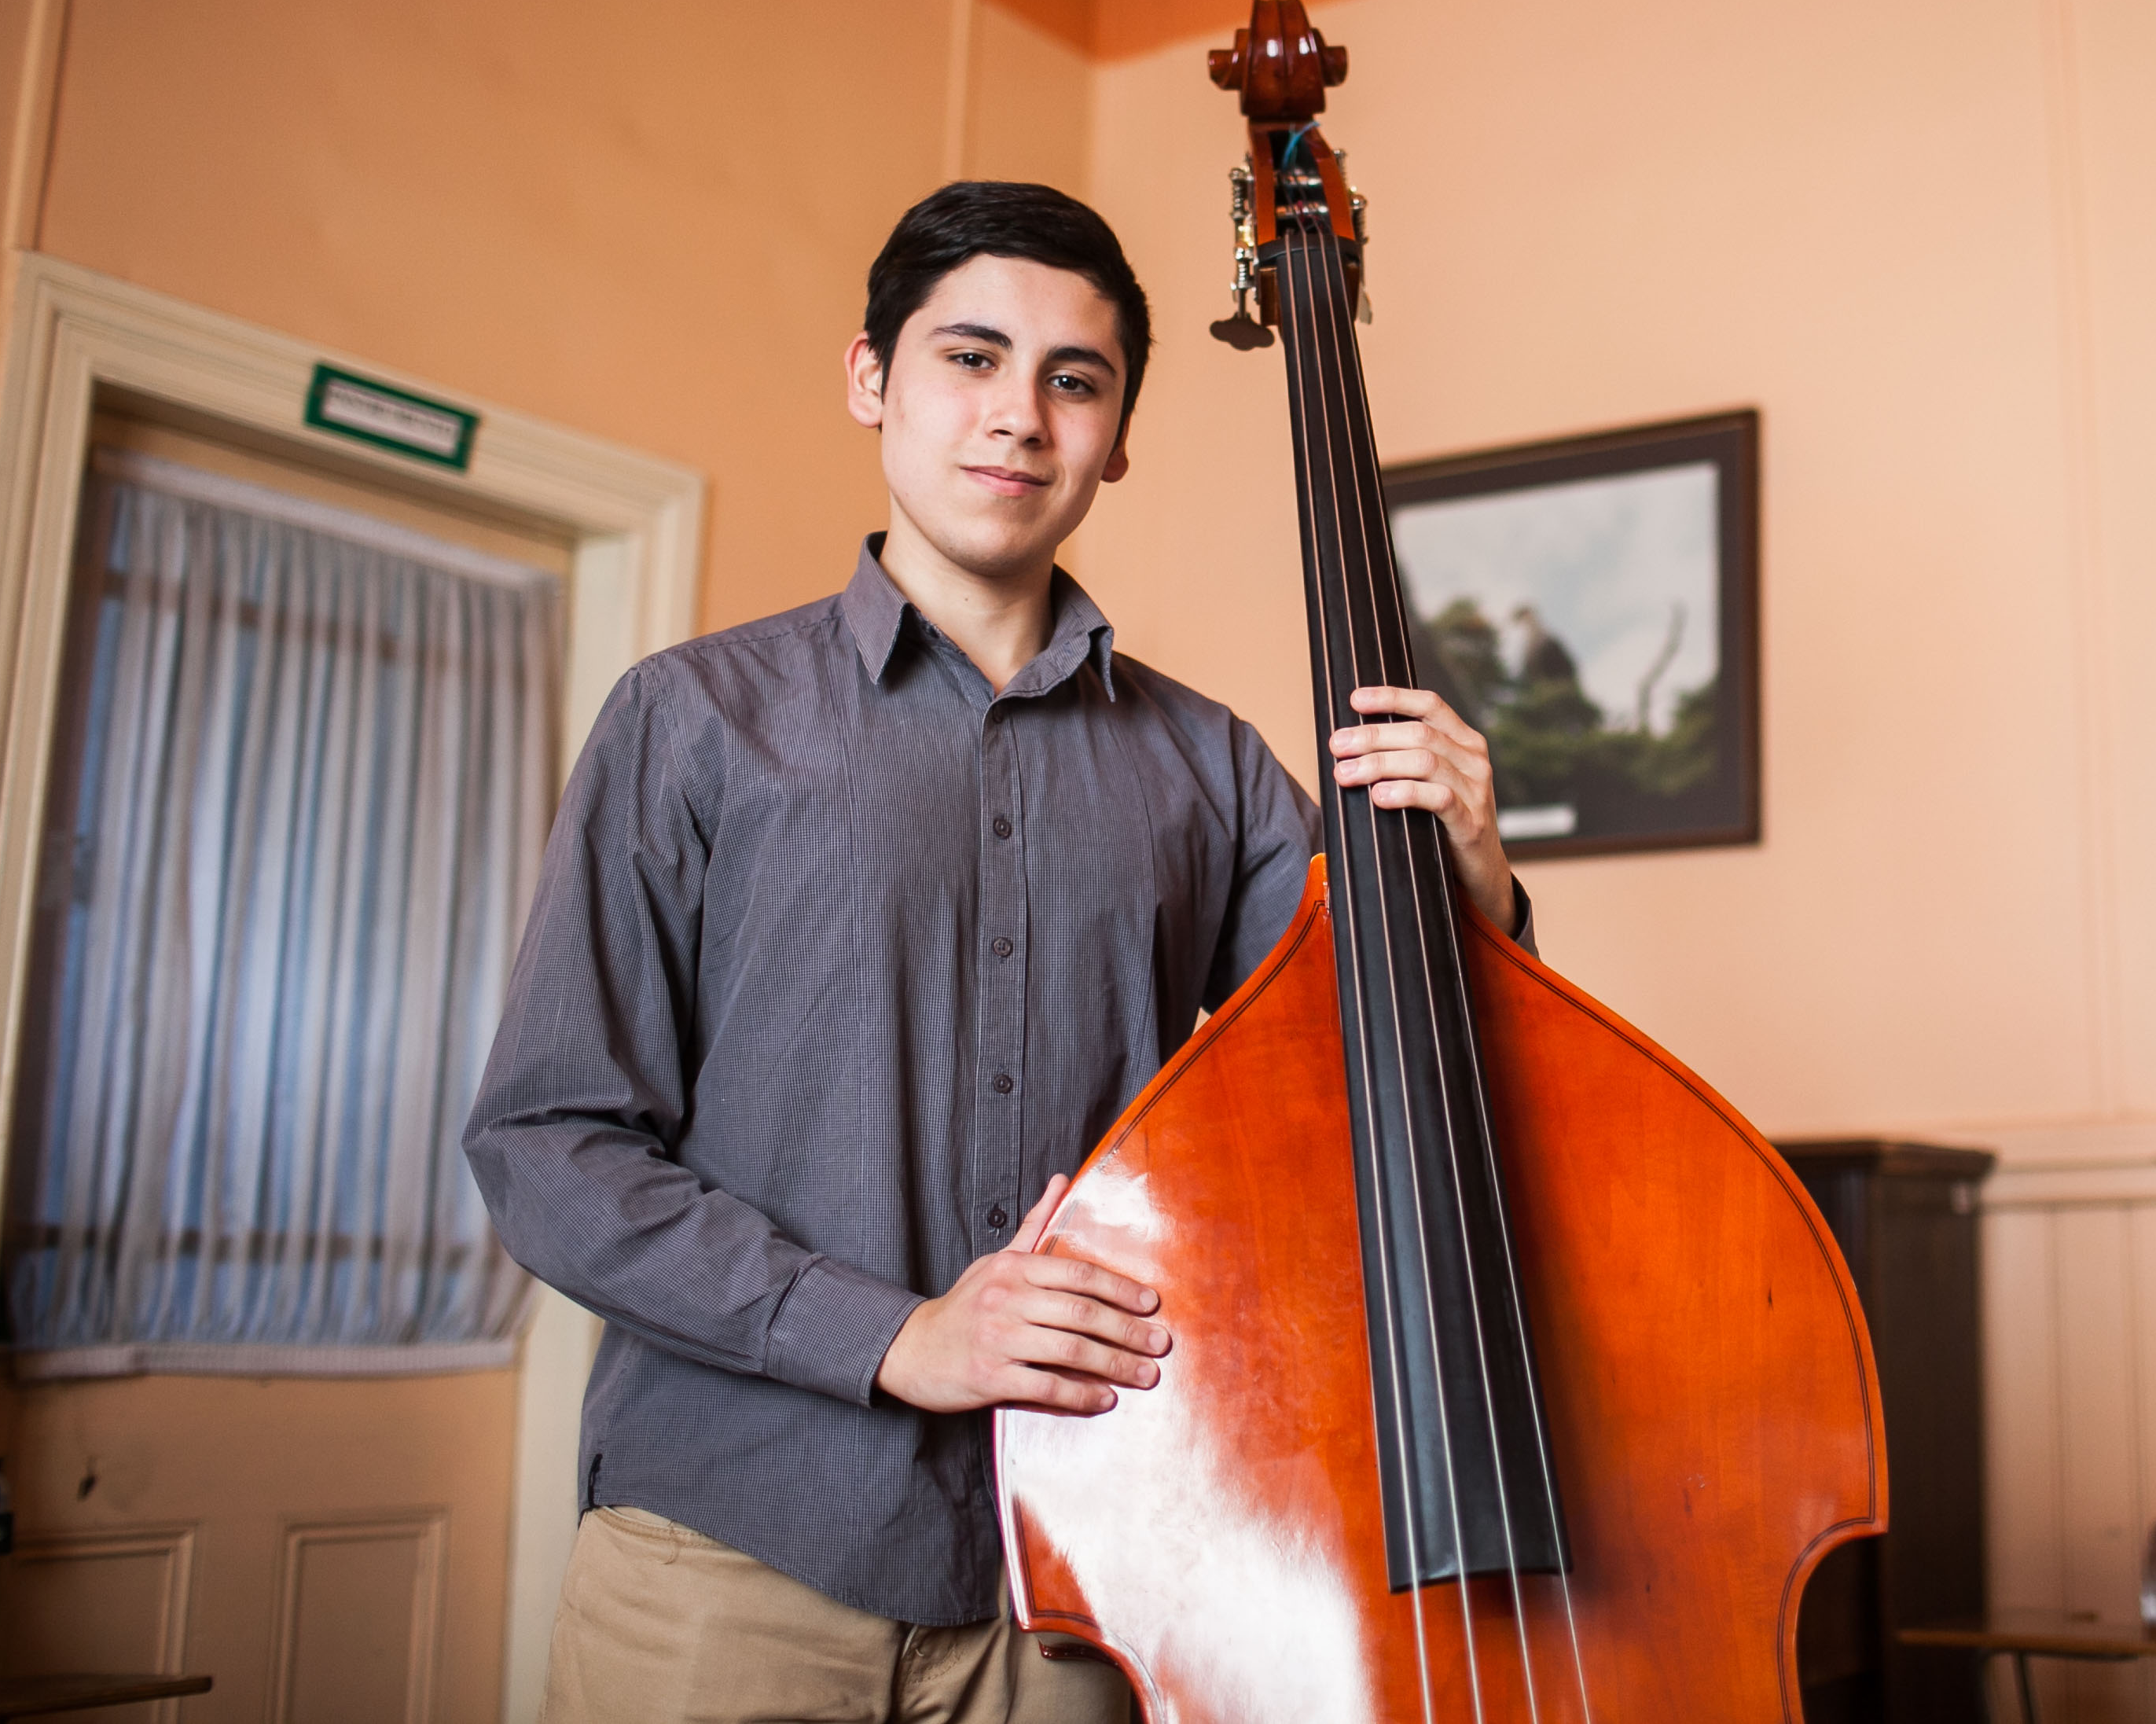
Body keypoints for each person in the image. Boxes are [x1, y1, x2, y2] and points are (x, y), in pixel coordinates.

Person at [463, 182, 1525, 1723]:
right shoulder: (692, 720)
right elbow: (549, 1145)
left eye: (1071, 381)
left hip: (1084, 1571)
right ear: (870, 380)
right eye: (969, 358)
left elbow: (1389, 1075)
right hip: (733, 1555)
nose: (1017, 417)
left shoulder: (1213, 768)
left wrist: (1472, 864)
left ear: (1116, 435)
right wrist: (898, 1336)